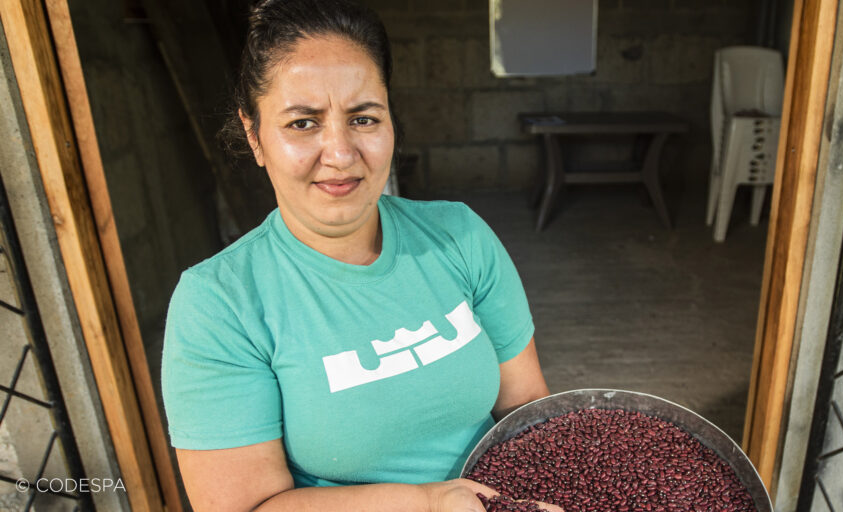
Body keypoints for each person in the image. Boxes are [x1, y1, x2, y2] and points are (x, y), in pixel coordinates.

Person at [161, 1, 562, 511]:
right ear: (253, 135)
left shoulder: (459, 236)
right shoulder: (220, 303)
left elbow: (526, 411)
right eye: (303, 123)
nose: (341, 152)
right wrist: (428, 503)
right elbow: (244, 507)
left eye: (363, 118)